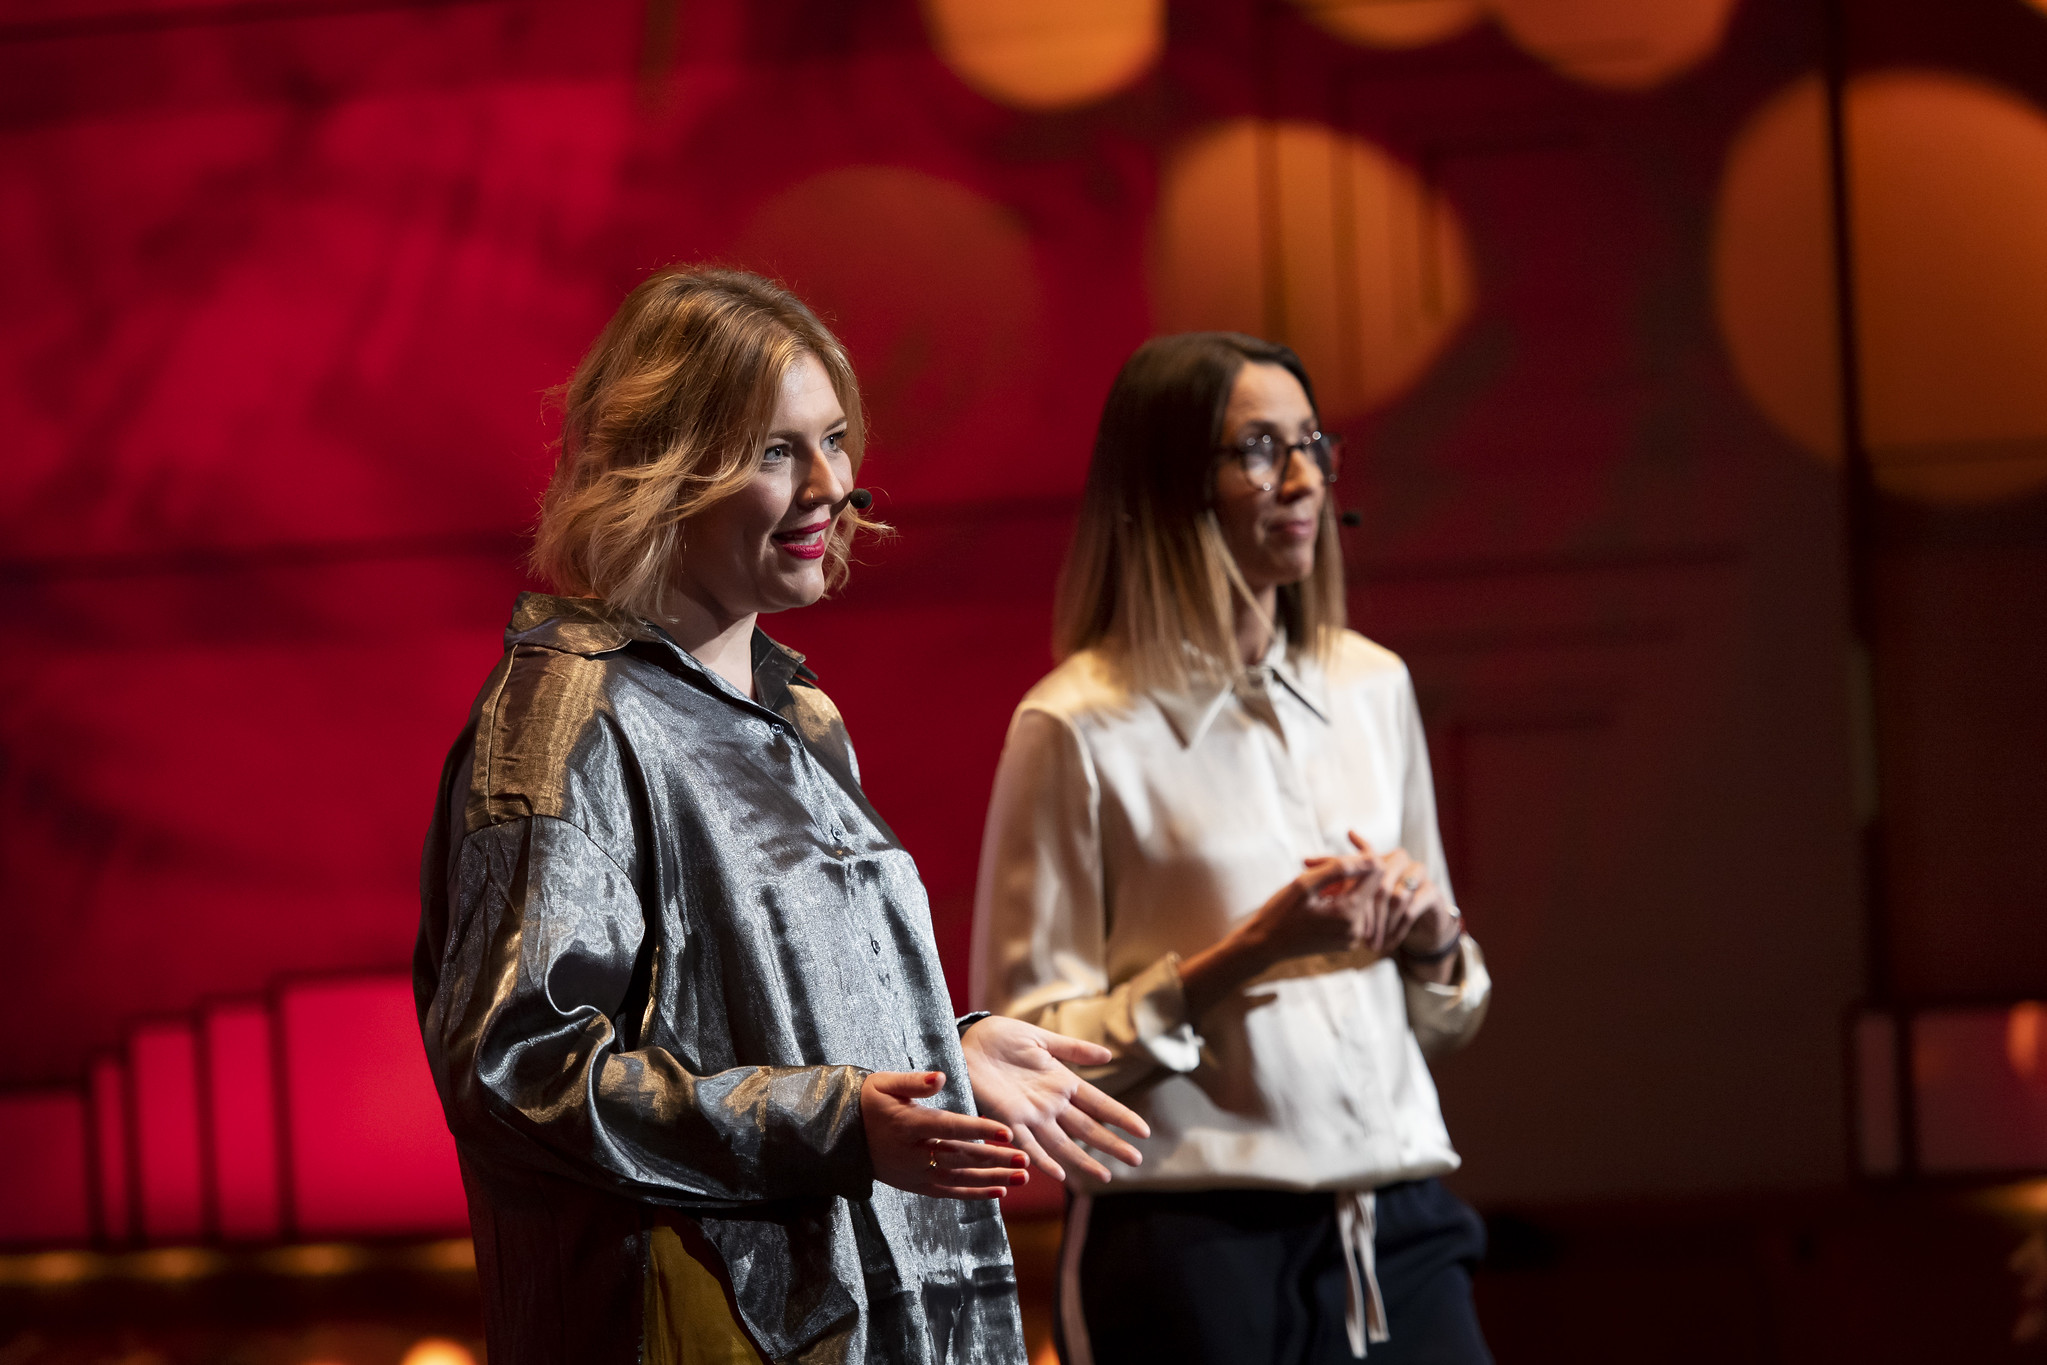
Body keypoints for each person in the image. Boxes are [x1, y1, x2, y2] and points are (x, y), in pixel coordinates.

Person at [416, 267, 1147, 1365]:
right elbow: (519, 1072)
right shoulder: (568, 722)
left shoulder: (795, 709)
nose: (830, 485)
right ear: (664, 470)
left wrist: (941, 1049)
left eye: (835, 440)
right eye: (773, 451)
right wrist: (841, 1121)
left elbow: (760, 1022)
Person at [971, 332, 1494, 1364]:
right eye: (1258, 449)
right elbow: (1033, 1059)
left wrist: (1432, 941)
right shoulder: (1077, 723)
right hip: (1192, 1244)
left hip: (1398, 1222)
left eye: (1311, 444)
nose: (1300, 479)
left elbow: (1447, 1013)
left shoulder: (1370, 686)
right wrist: (1241, 956)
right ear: (1172, 485)